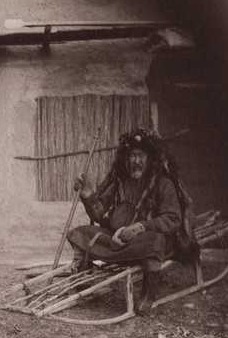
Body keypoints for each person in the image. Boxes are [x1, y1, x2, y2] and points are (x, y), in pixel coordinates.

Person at [67, 127, 187, 315]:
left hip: (142, 243)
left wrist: (141, 227)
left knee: (156, 241)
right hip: (115, 241)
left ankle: (147, 295)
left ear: (151, 159)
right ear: (125, 158)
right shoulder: (119, 183)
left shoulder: (164, 185)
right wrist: (88, 195)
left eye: (141, 156)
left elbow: (172, 220)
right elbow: (98, 213)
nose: (136, 161)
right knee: (80, 233)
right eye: (132, 156)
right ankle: (83, 281)